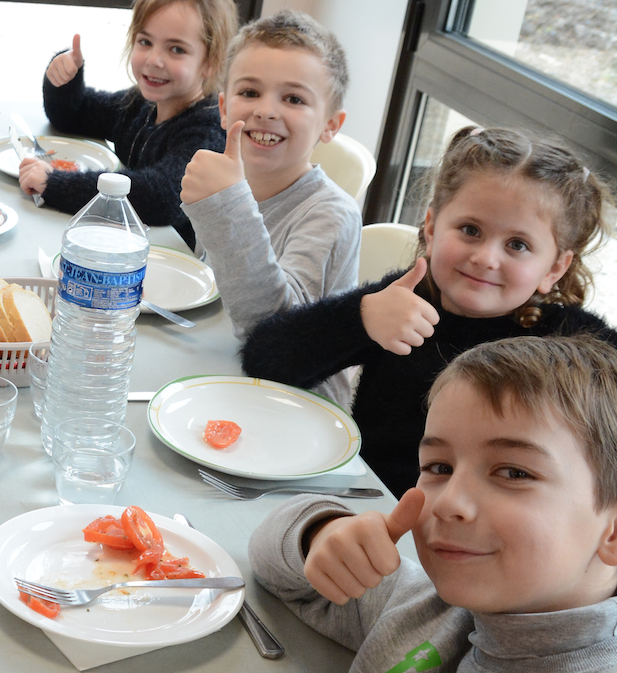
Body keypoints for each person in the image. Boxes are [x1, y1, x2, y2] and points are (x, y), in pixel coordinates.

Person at [249, 334, 617, 673]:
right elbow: (271, 558)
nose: (447, 503)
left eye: (514, 472)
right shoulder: (418, 606)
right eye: (440, 467)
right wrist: (323, 533)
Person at [242, 126, 617, 497]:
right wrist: (360, 318)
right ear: (433, 228)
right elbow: (264, 360)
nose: (485, 258)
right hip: (365, 503)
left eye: (517, 245)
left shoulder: (570, 342)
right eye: (470, 230)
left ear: (554, 268)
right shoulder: (405, 298)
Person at [179, 9, 361, 401]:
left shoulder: (331, 213)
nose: (266, 110)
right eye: (249, 92)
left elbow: (275, 336)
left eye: (293, 98)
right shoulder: (228, 179)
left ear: (331, 124)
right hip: (221, 374)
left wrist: (226, 208)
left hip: (297, 408)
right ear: (224, 108)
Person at [20, 0, 236, 250]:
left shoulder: (208, 129)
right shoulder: (139, 104)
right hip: (125, 244)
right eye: (145, 42)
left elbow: (160, 197)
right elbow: (74, 115)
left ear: (211, 62)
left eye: (176, 49)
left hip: (169, 262)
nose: (154, 60)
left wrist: (56, 184)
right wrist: (65, 82)